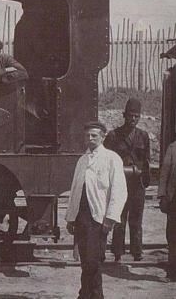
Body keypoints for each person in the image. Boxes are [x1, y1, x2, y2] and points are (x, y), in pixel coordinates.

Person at [65, 121, 127, 299]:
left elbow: (119, 191)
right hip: (81, 217)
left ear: (103, 136)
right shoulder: (82, 161)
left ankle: (92, 295)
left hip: (98, 218)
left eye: (94, 135)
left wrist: (111, 218)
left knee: (94, 260)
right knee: (85, 260)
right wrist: (71, 217)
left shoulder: (111, 158)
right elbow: (75, 189)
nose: (90, 139)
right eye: (87, 136)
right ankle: (86, 295)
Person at [104, 98, 150, 261]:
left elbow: (146, 161)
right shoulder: (114, 136)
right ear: (124, 116)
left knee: (136, 219)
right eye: (130, 115)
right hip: (120, 184)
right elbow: (107, 160)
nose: (133, 119)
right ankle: (118, 252)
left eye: (136, 116)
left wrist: (143, 179)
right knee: (119, 219)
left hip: (137, 185)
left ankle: (137, 252)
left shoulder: (143, 136)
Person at [158, 135, 176, 282]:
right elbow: (164, 173)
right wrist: (162, 195)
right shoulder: (173, 148)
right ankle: (173, 272)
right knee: (174, 236)